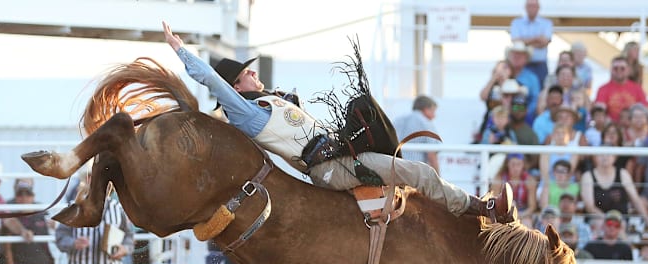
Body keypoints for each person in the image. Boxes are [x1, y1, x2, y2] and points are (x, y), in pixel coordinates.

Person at [162, 21, 515, 224]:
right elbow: (212, 80)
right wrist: (180, 50)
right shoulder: (245, 111)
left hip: (334, 158)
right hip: (329, 167)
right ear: (237, 86)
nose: (254, 73)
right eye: (247, 73)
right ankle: (479, 208)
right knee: (416, 173)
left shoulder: (269, 101)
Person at [580, 148, 648, 228]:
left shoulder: (623, 174)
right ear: (595, 157)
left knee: (618, 225)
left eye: (608, 154)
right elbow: (590, 207)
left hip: (620, 220)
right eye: (601, 154)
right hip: (598, 219)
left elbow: (636, 199)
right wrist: (607, 220)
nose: (605, 157)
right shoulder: (587, 176)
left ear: (614, 157)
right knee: (601, 223)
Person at [509, 0, 553, 87]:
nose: (532, 9)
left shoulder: (547, 23)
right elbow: (516, 42)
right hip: (521, 66)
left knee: (541, 91)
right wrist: (536, 38)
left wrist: (524, 43)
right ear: (525, 7)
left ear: (538, 8)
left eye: (534, 6)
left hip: (540, 65)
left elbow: (544, 42)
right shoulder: (517, 23)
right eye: (530, 6)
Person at [393, 95, 441, 171]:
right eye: (433, 111)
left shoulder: (398, 120)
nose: (434, 116)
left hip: (395, 166)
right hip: (415, 169)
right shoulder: (427, 123)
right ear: (426, 109)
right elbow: (432, 154)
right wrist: (438, 178)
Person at [594, 56, 648, 123]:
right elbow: (600, 112)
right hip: (611, 127)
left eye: (622, 68)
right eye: (615, 68)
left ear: (628, 70)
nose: (619, 71)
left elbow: (645, 110)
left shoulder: (637, 88)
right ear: (611, 70)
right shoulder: (603, 89)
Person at [491, 153, 537, 219]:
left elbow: (532, 207)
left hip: (523, 213)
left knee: (527, 223)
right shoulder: (499, 179)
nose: (516, 168)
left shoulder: (529, 180)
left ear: (523, 165)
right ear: (507, 164)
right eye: (513, 164)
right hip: (503, 212)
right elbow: (494, 201)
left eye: (519, 164)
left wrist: (519, 215)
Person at [505, 41, 541, 124]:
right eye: (514, 54)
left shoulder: (532, 78)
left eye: (520, 55)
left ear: (526, 58)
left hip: (523, 118)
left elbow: (535, 99)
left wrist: (525, 112)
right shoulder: (502, 73)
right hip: (502, 116)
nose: (516, 56)